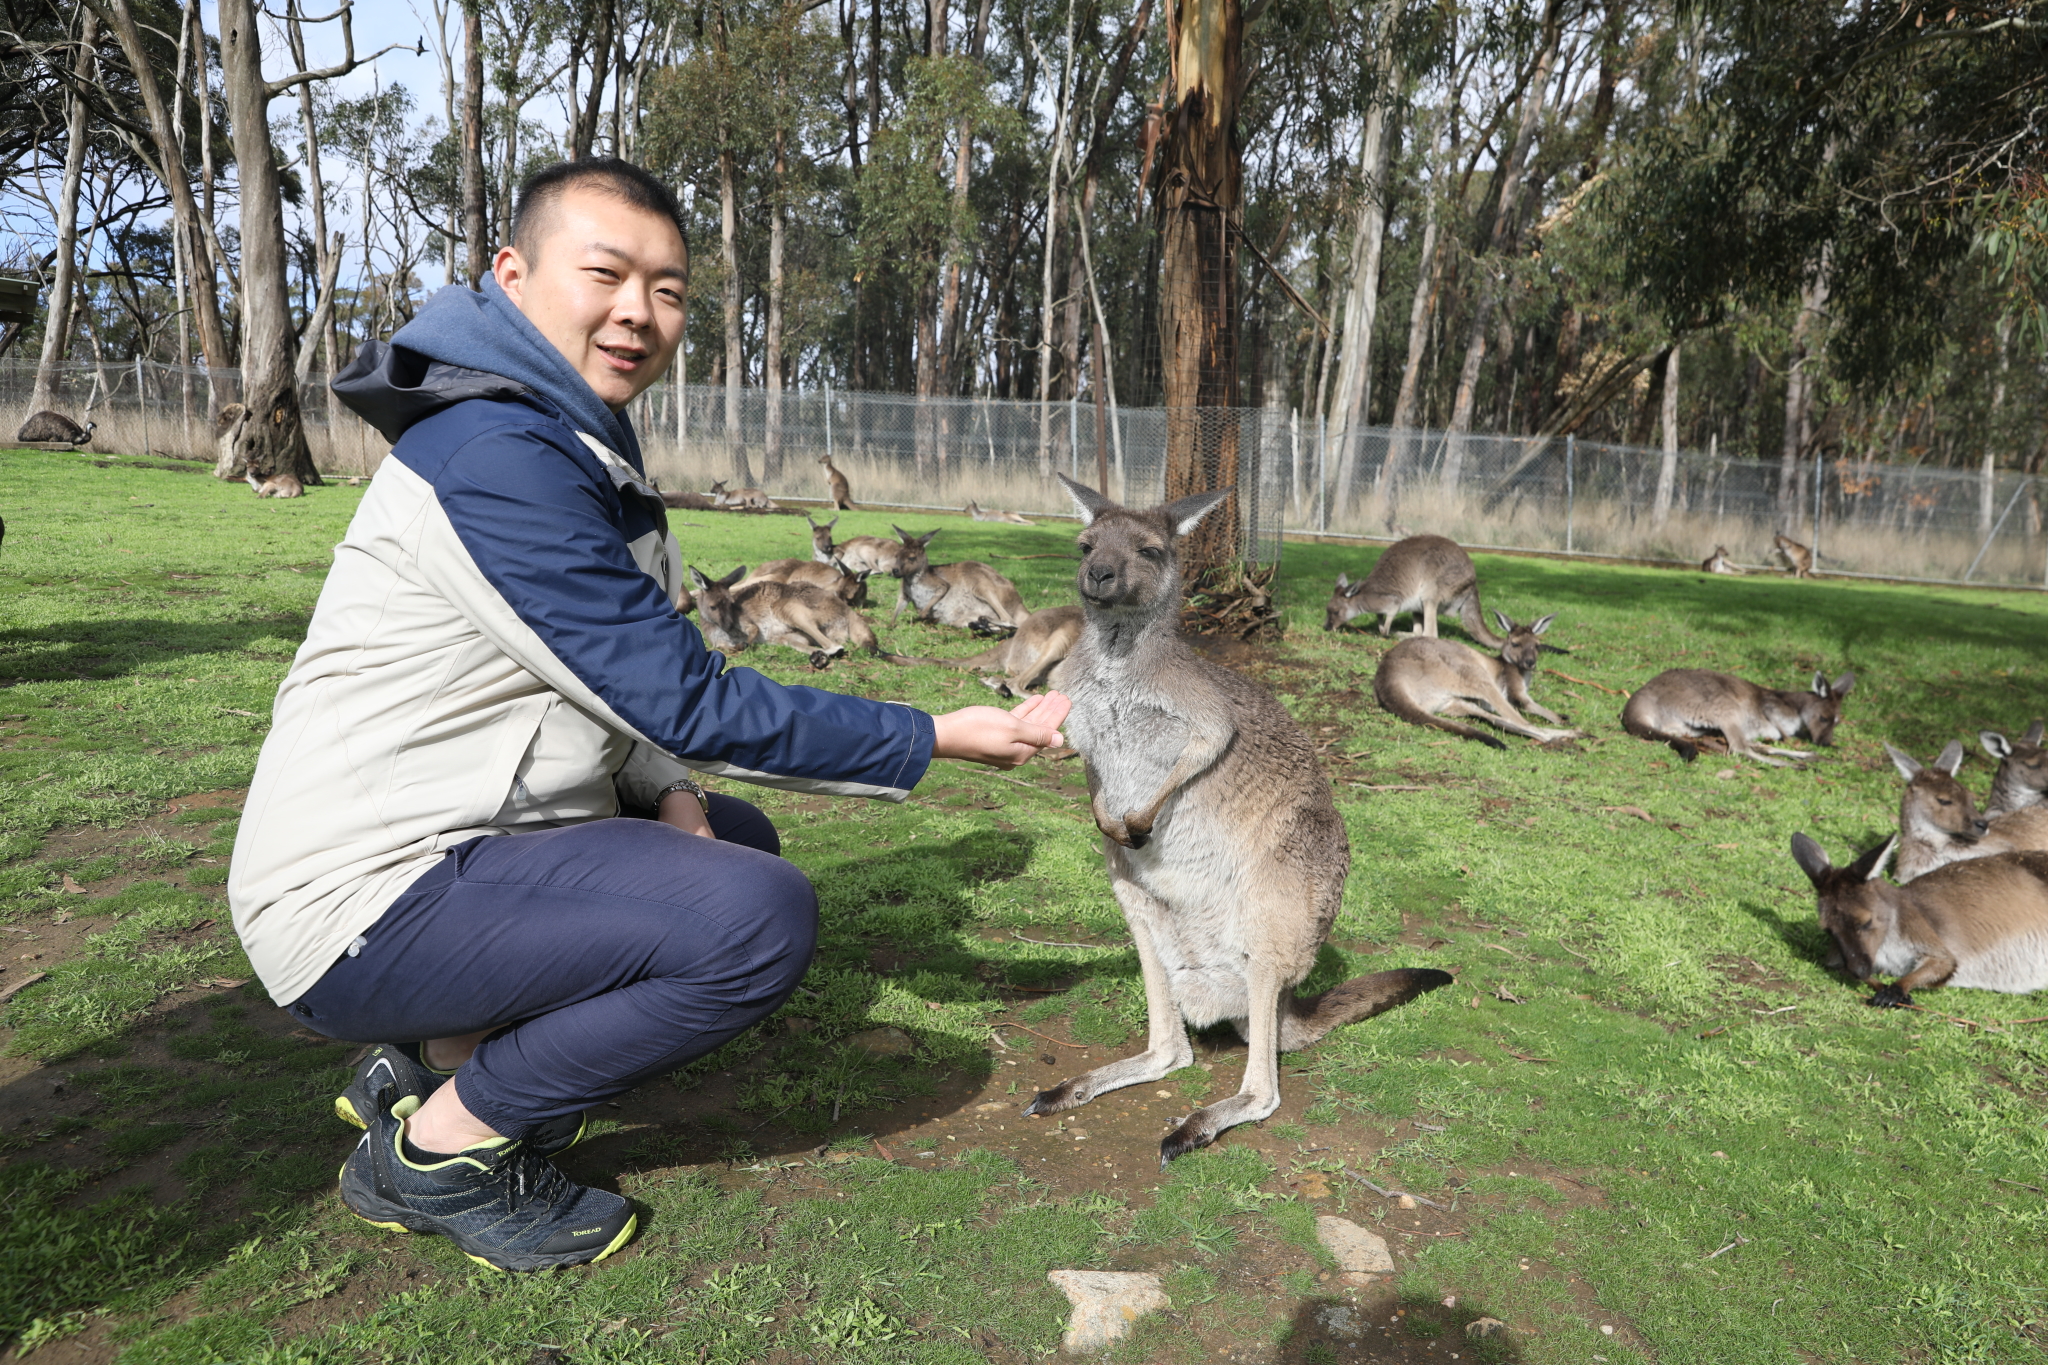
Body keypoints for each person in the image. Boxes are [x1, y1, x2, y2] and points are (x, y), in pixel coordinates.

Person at [227, 158, 1069, 1273]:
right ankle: (436, 1153)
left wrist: (673, 796)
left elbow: (630, 682)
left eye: (667, 289)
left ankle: (435, 1057)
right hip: (362, 895)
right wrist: (931, 735)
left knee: (733, 841)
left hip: (467, 833)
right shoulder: (497, 455)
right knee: (754, 919)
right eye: (605, 274)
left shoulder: (568, 439)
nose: (638, 311)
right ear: (513, 276)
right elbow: (680, 692)